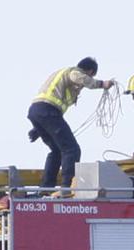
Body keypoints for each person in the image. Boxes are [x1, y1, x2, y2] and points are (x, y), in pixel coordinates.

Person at [28, 57, 114, 190]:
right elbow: (78, 78)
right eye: (91, 76)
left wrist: (37, 129)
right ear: (90, 71)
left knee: (56, 151)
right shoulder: (74, 72)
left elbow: (48, 103)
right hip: (48, 112)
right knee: (72, 149)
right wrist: (102, 84)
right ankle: (67, 188)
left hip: (38, 112)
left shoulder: (62, 75)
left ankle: (46, 188)